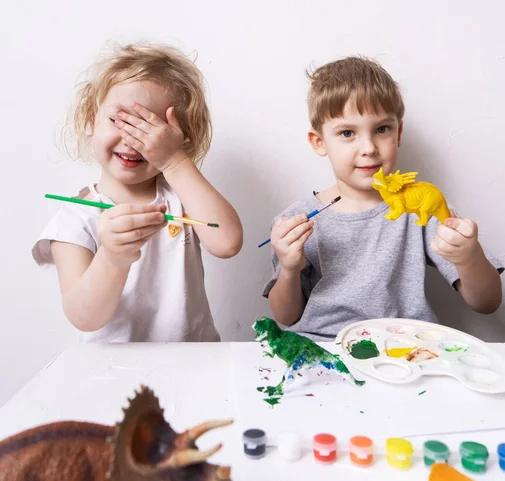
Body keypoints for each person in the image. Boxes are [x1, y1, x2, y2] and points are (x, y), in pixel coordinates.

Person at [263, 56, 503, 341]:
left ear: (398, 133)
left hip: (406, 350)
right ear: (319, 142)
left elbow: (487, 303)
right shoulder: (296, 219)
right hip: (327, 349)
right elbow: (286, 316)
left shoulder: (418, 208)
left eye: (381, 129)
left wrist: (468, 257)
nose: (368, 148)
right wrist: (289, 268)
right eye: (347, 133)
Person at [33, 42, 243, 343]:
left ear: (179, 138)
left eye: (152, 129)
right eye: (120, 121)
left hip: (194, 367)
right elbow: (84, 318)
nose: (133, 140)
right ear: (91, 118)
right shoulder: (75, 218)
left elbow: (227, 242)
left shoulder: (182, 196)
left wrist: (174, 160)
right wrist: (112, 257)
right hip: (114, 377)